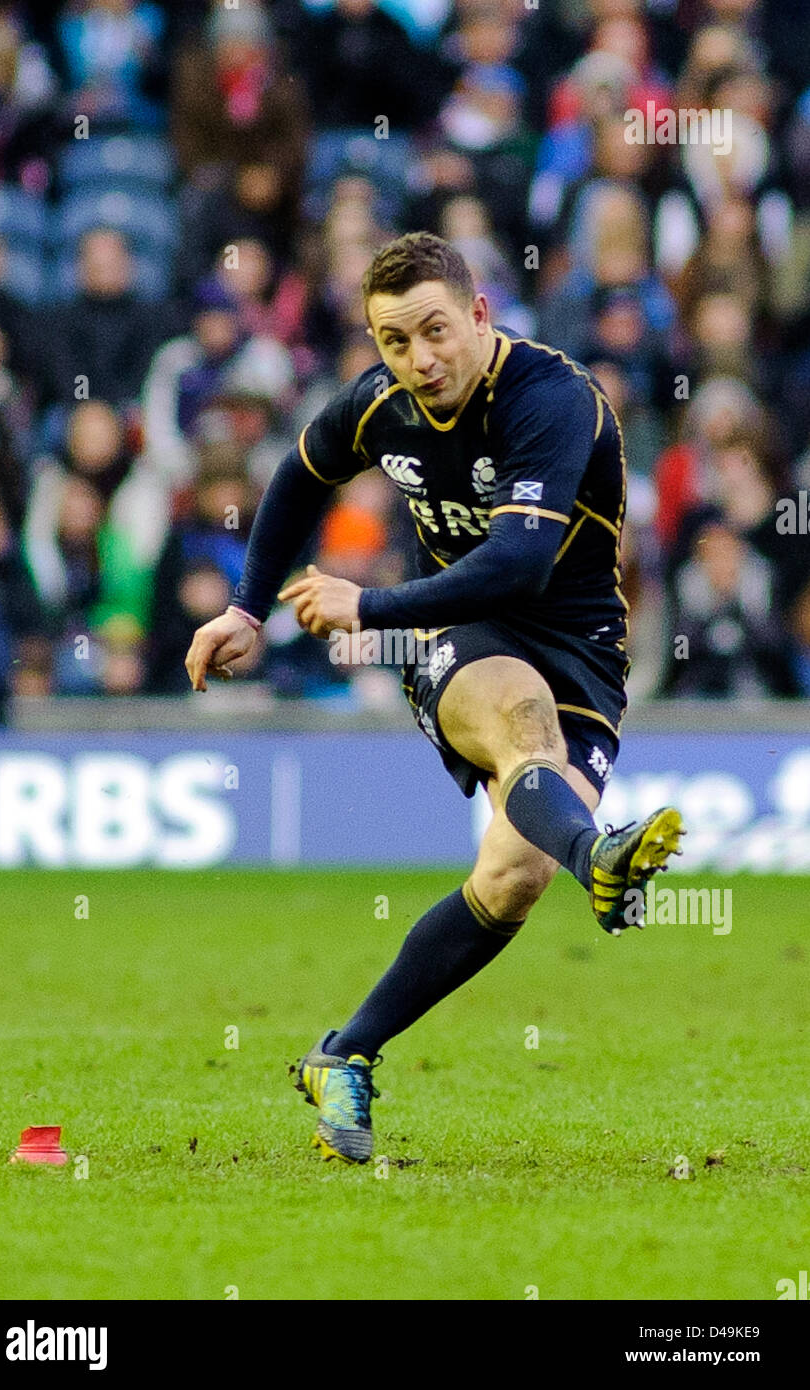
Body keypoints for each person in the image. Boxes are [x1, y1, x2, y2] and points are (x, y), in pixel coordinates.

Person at [185, 232, 685, 1164]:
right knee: (519, 724)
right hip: (463, 636)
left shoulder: (552, 399)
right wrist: (249, 608)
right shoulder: (382, 406)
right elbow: (300, 475)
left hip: (579, 647)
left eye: (434, 332)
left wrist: (365, 602)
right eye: (394, 342)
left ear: (480, 317)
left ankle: (342, 1054)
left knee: (512, 877)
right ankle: (601, 858)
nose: (419, 360)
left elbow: (521, 561)